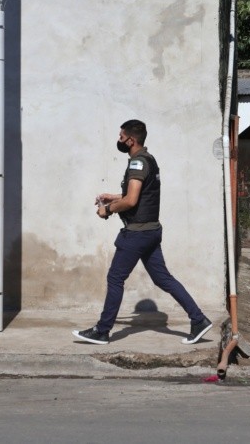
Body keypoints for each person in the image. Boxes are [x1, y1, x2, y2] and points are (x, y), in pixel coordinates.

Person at [72, 119, 212, 345]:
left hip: (137, 234)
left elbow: (131, 200)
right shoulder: (149, 160)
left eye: (121, 137)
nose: (119, 140)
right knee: (163, 279)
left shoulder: (137, 163)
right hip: (151, 231)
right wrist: (113, 195)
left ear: (131, 140)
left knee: (115, 278)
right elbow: (138, 194)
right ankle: (199, 320)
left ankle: (102, 330)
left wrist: (106, 209)